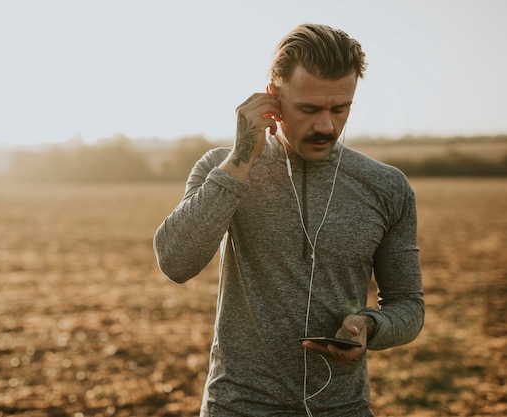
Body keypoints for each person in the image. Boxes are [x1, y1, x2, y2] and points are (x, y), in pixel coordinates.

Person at [153, 23, 424, 417]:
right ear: (273, 99)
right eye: (309, 109)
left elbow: (409, 306)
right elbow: (175, 262)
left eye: (340, 108)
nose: (326, 126)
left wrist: (371, 327)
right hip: (238, 406)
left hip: (343, 408)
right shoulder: (223, 168)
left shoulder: (387, 187)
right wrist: (242, 158)